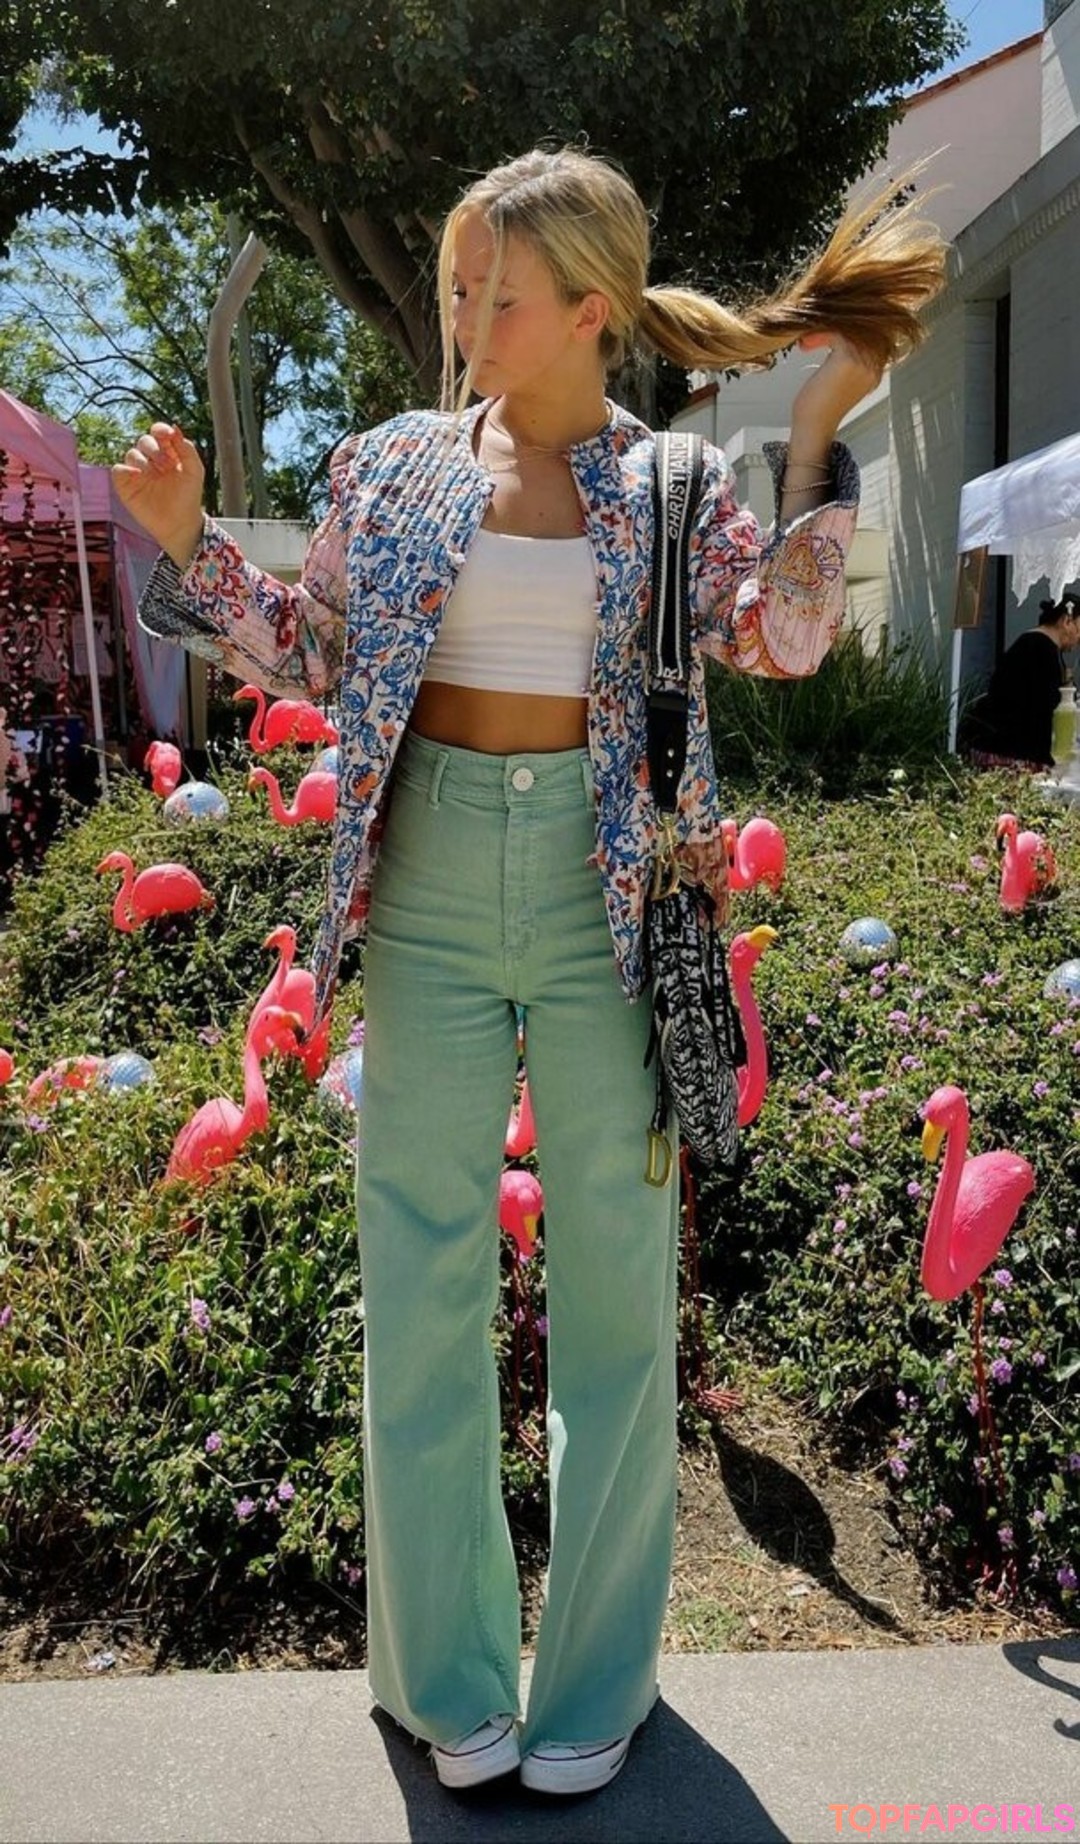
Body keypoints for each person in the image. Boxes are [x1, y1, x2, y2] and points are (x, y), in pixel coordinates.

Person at [114, 146, 945, 1798]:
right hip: (424, 874)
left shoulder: (674, 487)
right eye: (456, 288)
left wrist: (814, 428)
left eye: (499, 293)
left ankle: (596, 1685)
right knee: (420, 1275)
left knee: (619, 1294)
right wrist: (190, 537)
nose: (466, 318)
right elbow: (312, 651)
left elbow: (782, 638)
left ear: (588, 308)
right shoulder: (388, 467)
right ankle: (443, 1677)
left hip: (609, 894)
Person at [965, 596, 1079, 771]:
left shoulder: (1030, 642)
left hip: (993, 743)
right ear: (1066, 621)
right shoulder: (1043, 650)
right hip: (1009, 752)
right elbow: (1043, 709)